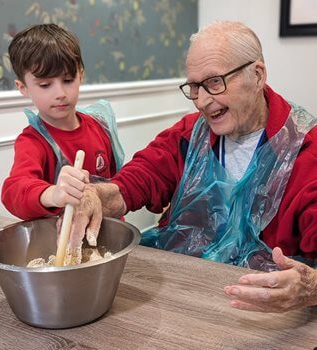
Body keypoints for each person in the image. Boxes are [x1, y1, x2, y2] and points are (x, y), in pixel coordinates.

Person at [73, 21, 317, 312]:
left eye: (215, 82)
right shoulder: (190, 134)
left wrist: (311, 288)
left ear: (257, 75)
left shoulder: (306, 150)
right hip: (184, 293)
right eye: (194, 86)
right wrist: (94, 196)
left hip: (263, 310)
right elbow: (139, 179)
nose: (201, 101)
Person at [1, 24, 124, 246]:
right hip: (59, 245)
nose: (60, 93)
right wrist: (53, 194)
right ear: (23, 88)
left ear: (81, 76)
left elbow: (116, 185)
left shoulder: (100, 126)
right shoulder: (32, 141)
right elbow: (14, 190)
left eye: (68, 80)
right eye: (45, 84)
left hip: (106, 238)